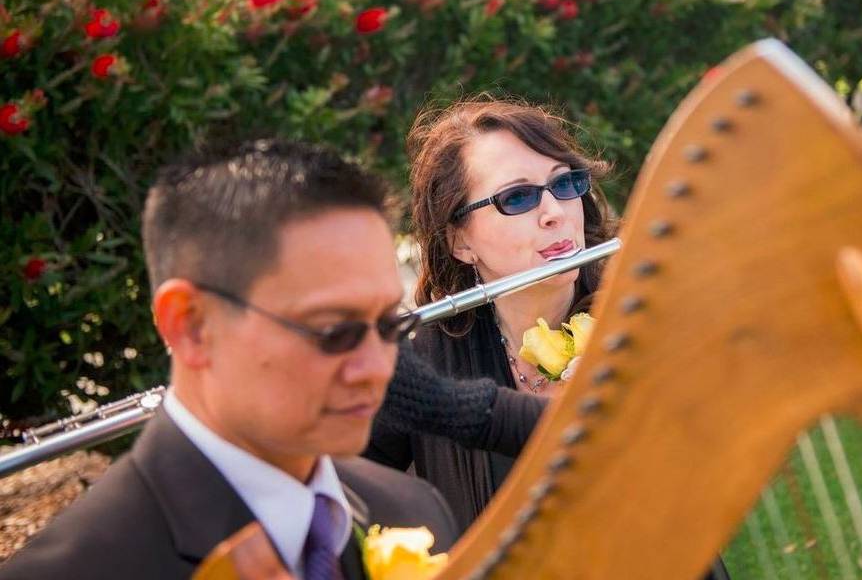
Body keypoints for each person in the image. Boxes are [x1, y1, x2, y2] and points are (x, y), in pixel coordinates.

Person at [0, 139, 458, 580]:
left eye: (387, 324)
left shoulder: (412, 511)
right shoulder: (79, 569)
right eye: (334, 332)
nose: (378, 368)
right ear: (191, 325)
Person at [366, 99, 617, 532]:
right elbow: (339, 484)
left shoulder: (634, 319)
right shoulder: (428, 364)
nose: (555, 213)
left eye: (564, 184)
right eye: (517, 198)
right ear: (461, 241)